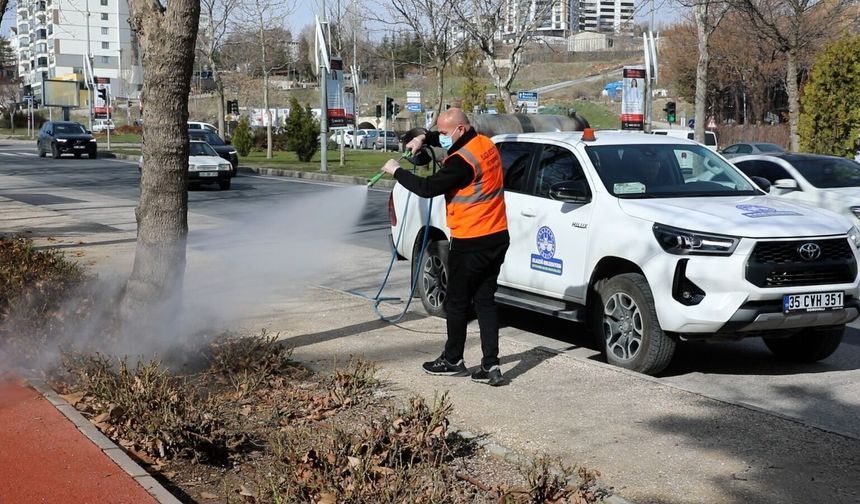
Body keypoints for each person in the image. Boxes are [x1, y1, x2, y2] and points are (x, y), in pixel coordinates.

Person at [380, 108, 510, 386]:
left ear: (460, 129)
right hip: (497, 236)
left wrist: (396, 171)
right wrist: (423, 139)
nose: (441, 137)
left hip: (471, 241)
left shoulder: (462, 162)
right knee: (485, 301)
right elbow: (446, 141)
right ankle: (491, 365)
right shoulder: (484, 143)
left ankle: (452, 360)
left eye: (443, 132)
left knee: (456, 303)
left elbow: (428, 188)